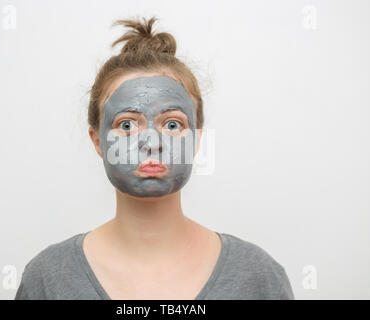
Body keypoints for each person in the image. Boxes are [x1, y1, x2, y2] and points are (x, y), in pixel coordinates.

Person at [15, 16, 295, 300]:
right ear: (97, 141)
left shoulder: (259, 278)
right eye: (127, 125)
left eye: (172, 125)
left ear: (196, 139)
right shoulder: (46, 279)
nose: (151, 143)